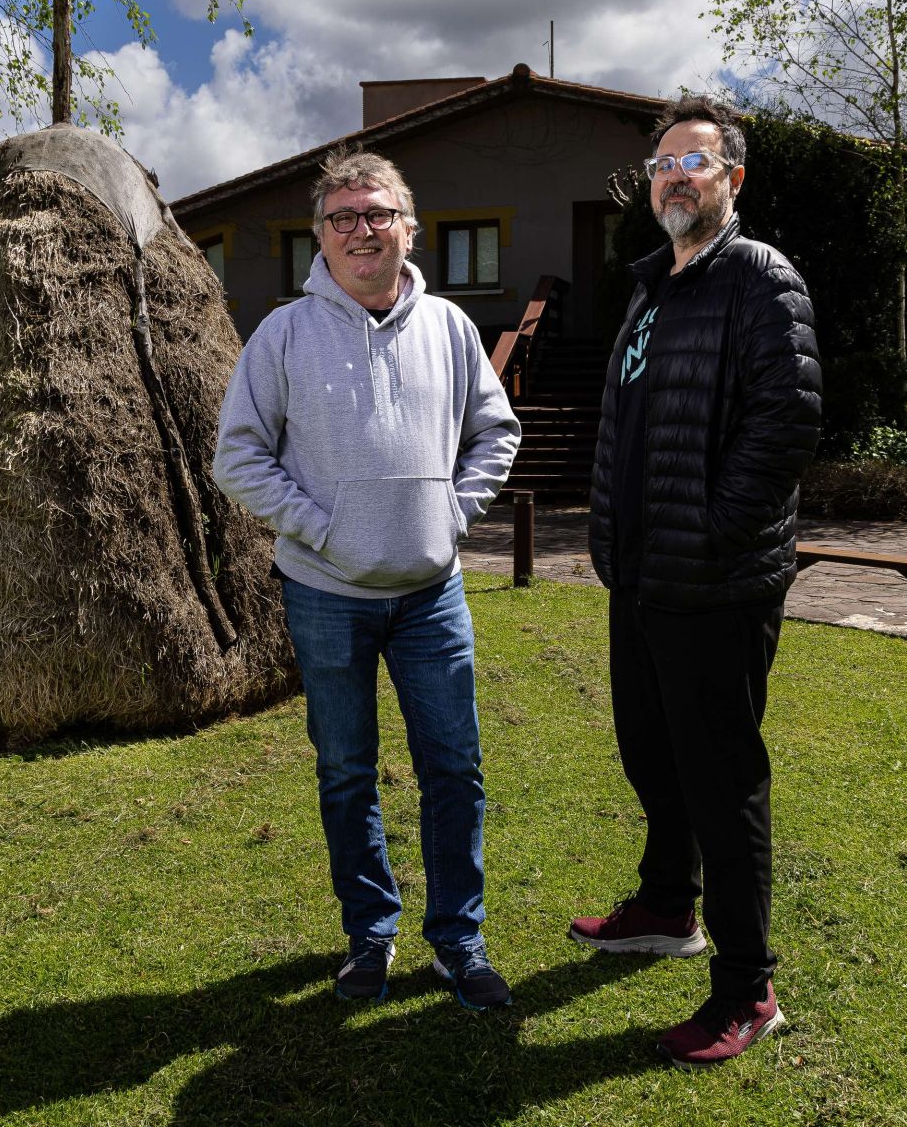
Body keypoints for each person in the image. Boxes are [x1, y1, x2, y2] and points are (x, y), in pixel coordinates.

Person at [214, 147, 522, 1010]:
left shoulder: (452, 328)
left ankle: (459, 941)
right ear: (320, 235)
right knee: (347, 772)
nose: (361, 229)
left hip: (432, 597)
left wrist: (452, 515)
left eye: (377, 213)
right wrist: (322, 527)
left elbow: (496, 432)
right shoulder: (283, 333)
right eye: (343, 216)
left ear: (408, 228)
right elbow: (237, 456)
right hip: (325, 595)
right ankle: (370, 936)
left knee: (453, 769)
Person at [570, 96, 822, 1067]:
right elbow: (620, 432)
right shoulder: (651, 290)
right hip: (642, 579)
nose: (674, 176)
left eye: (695, 161)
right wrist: (608, 538)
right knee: (650, 751)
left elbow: (786, 425)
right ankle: (668, 904)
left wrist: (714, 532)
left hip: (715, 584)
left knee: (722, 779)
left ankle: (747, 986)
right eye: (662, 163)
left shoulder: (760, 281)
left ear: (733, 179)